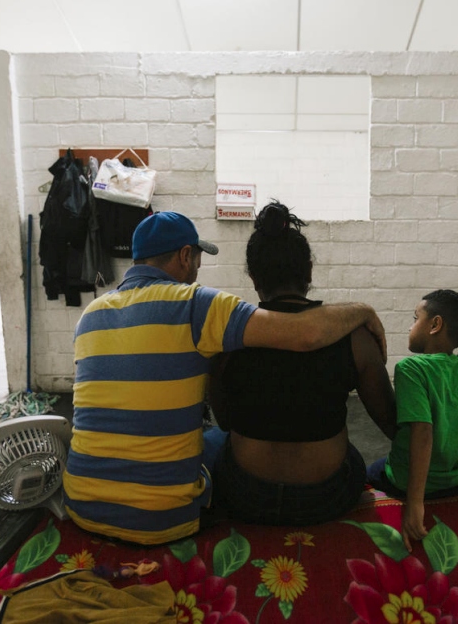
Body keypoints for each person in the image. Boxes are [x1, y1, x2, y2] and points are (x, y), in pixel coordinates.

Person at [62, 210, 387, 546]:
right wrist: (363, 310)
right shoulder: (197, 305)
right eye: (198, 258)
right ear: (185, 256)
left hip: (81, 504)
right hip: (164, 519)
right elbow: (303, 333)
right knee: (220, 440)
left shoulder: (90, 315)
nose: (197, 269)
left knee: (218, 437)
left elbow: (225, 417)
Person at [208, 202, 397, 526]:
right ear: (309, 271)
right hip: (325, 498)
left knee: (214, 442)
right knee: (353, 455)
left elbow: (225, 421)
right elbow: (391, 423)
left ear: (254, 277)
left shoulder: (227, 340)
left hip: (247, 496)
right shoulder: (355, 339)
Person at [366, 289, 458, 551]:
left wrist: (415, 503)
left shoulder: (411, 369)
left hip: (410, 483)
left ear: (435, 325)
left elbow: (422, 433)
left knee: (370, 471)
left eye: (415, 318)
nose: (410, 325)